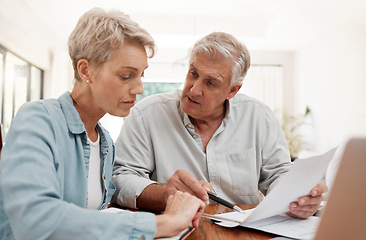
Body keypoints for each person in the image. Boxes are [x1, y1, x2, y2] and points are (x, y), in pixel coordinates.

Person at [0, 8, 205, 240]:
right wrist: (164, 223)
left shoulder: (105, 141)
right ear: (86, 70)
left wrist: (169, 194)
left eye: (141, 75)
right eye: (126, 76)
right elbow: (34, 220)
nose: (139, 89)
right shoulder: (38, 120)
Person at [112, 32, 327, 219]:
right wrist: (166, 194)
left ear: (232, 91)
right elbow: (120, 178)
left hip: (245, 232)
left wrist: (296, 198)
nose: (194, 90)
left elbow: (278, 173)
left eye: (211, 82)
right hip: (174, 230)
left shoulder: (259, 117)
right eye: (193, 73)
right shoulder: (146, 115)